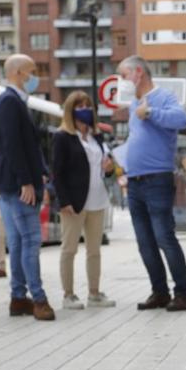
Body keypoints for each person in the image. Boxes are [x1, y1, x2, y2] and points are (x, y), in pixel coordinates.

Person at [113, 55, 186, 312]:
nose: (121, 82)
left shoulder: (163, 97)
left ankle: (182, 293)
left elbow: (181, 119)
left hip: (157, 178)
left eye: (124, 76)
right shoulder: (134, 103)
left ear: (138, 72)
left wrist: (150, 112)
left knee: (164, 237)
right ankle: (159, 291)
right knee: (145, 241)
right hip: (134, 181)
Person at [0, 54, 54, 321]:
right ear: (17, 72)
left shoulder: (12, 101)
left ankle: (18, 297)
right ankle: (38, 299)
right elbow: (12, 145)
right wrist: (26, 181)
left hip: (10, 183)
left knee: (17, 242)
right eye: (31, 71)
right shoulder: (9, 102)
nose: (35, 76)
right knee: (29, 240)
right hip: (17, 185)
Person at [51, 91, 116, 310]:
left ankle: (94, 293)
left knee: (94, 250)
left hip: (97, 200)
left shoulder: (96, 136)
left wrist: (109, 170)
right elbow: (57, 173)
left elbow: (105, 169)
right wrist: (64, 201)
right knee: (69, 249)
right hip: (74, 202)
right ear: (70, 110)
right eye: (80, 106)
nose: (85, 109)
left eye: (88, 105)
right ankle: (68, 295)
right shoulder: (62, 136)